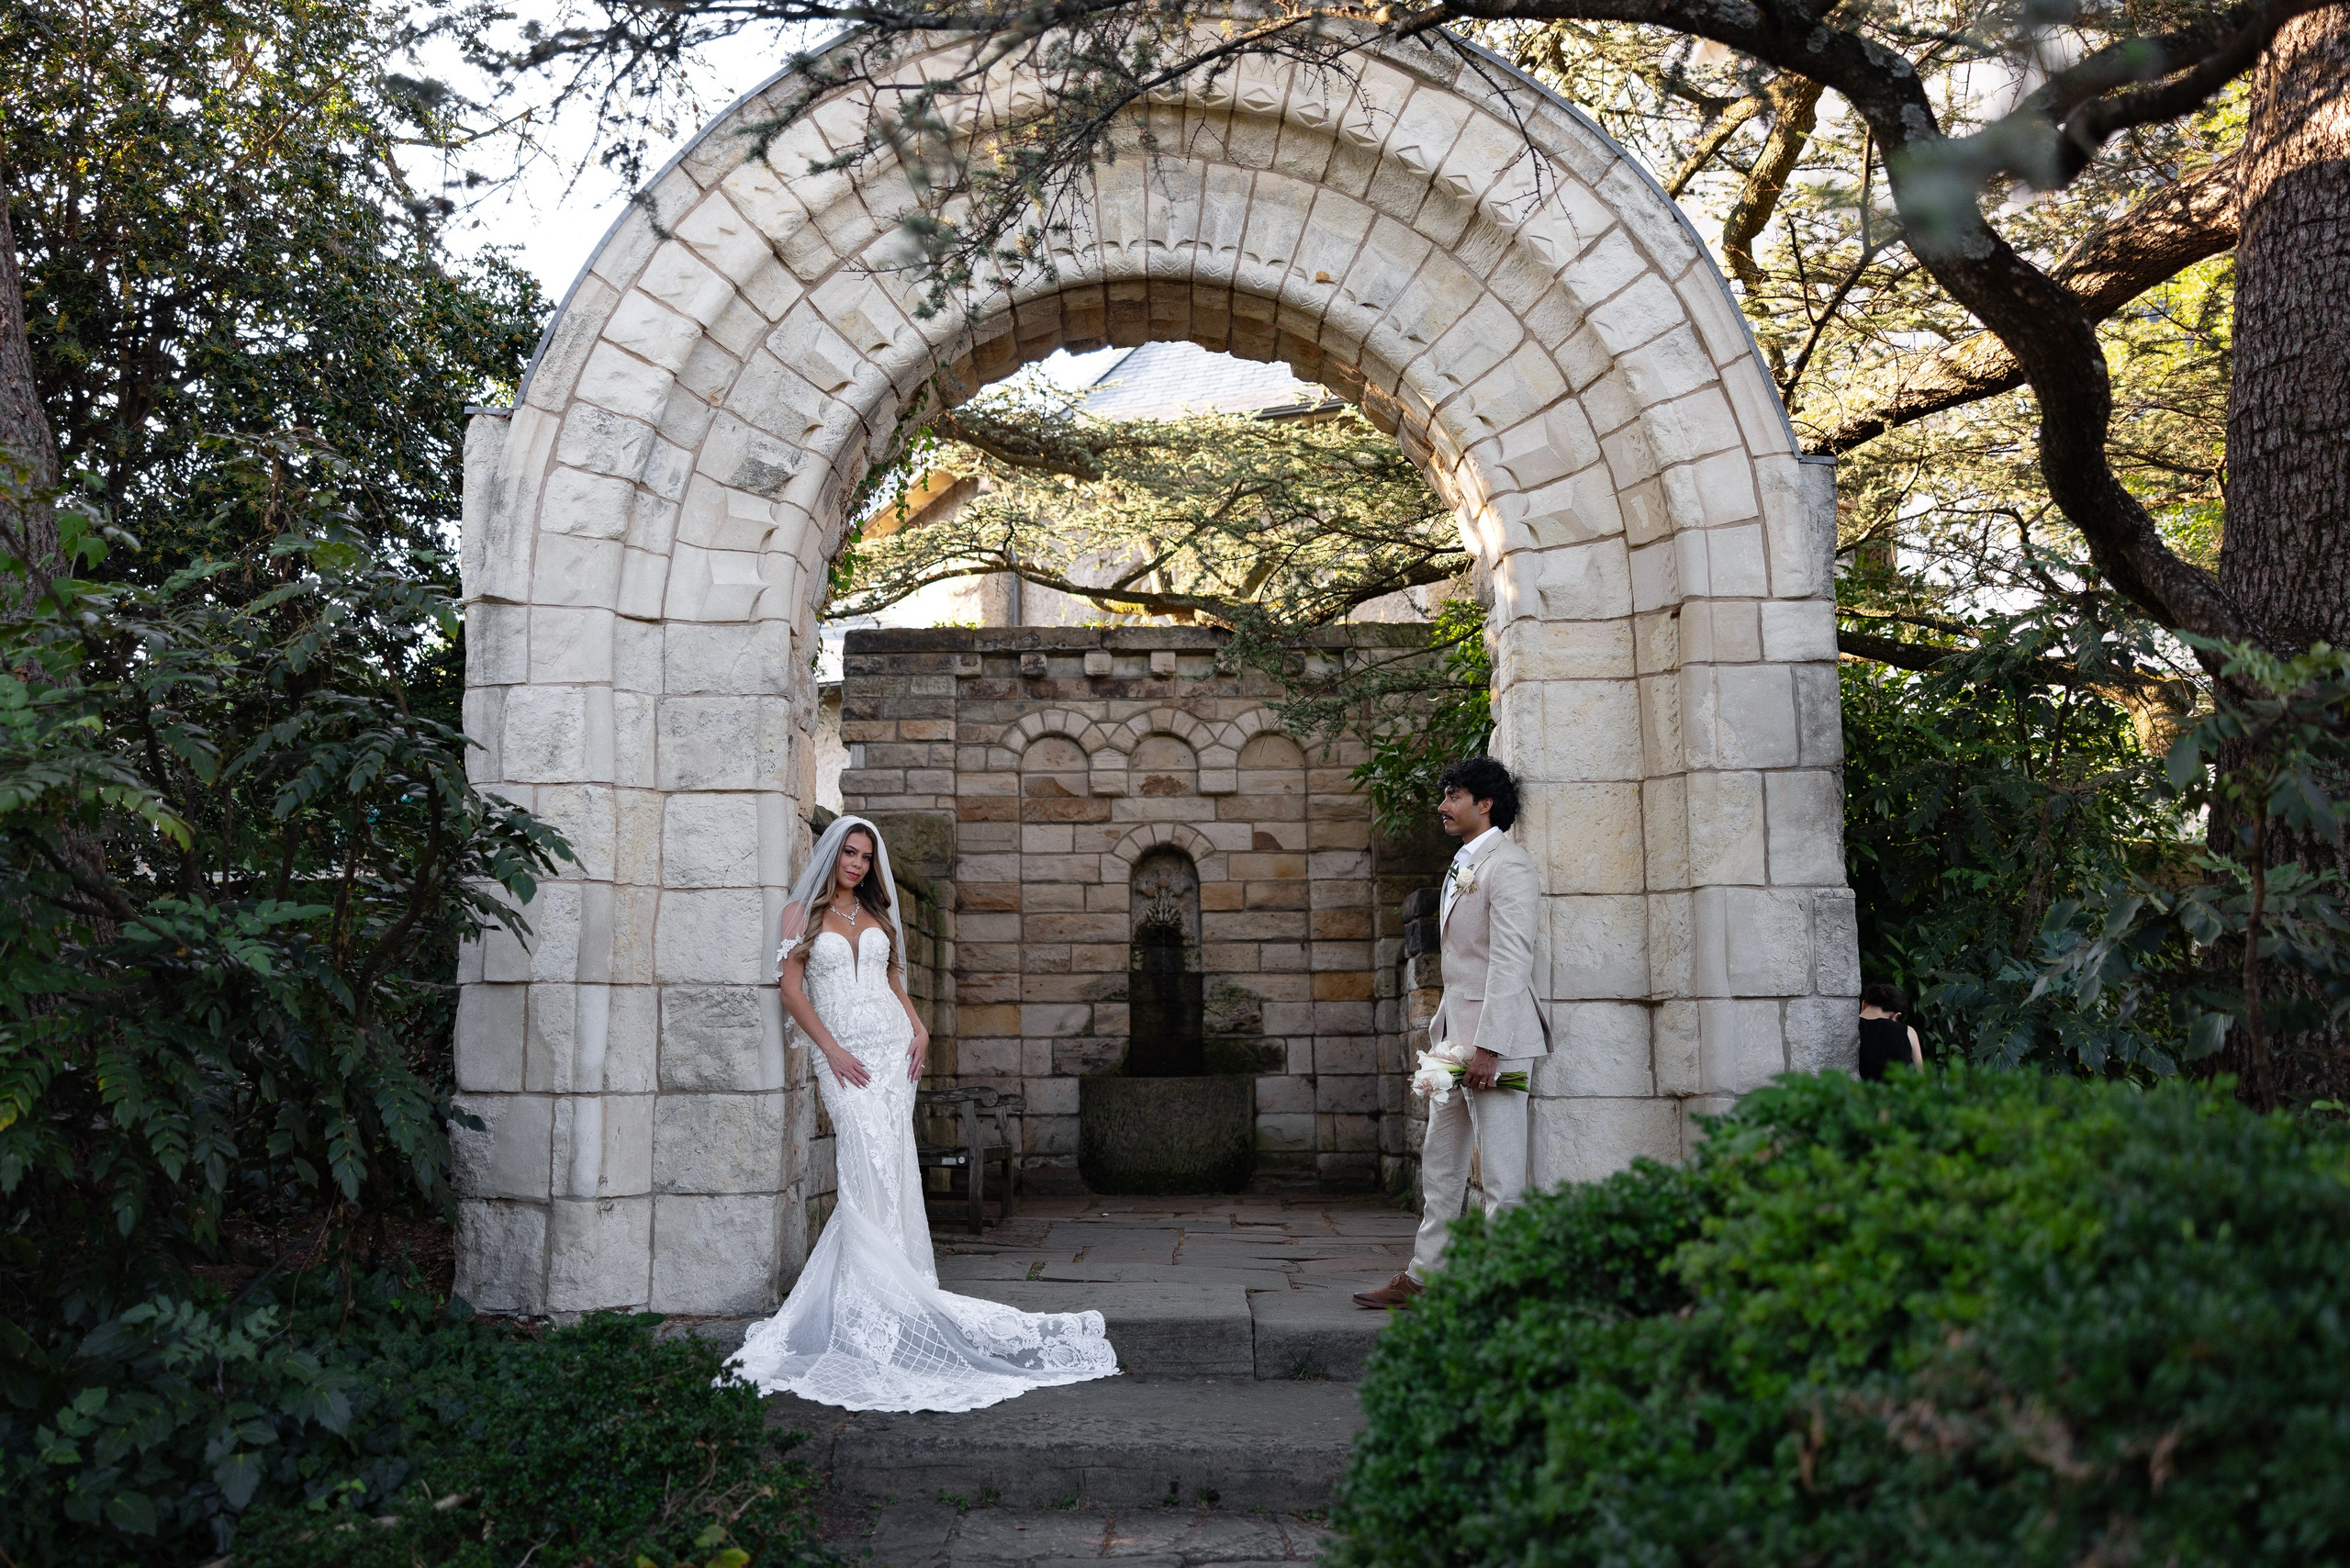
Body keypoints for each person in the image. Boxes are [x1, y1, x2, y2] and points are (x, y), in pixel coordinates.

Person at [727, 815, 1118, 1410]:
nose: (857, 864)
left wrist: (920, 1028)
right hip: (843, 1057)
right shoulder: (799, 914)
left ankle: (896, 1293)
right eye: (849, 853)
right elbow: (791, 990)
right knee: (863, 1164)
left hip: (893, 1053)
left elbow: (893, 980)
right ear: (832, 855)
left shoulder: (877, 915)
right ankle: (873, 1298)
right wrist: (831, 1050)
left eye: (866, 857)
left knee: (894, 1166)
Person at [1355, 757, 1552, 1310]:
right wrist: (1446, 1039)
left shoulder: (1509, 867)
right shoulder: (1462, 863)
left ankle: (1504, 1291)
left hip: (1498, 1043)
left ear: (1485, 803)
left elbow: (1511, 962)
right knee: (1441, 1165)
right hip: (1453, 1041)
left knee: (1502, 1176)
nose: (1442, 806)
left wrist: (1489, 1047)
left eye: (1453, 796)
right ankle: (1425, 1277)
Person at [1857, 981, 1925, 1081]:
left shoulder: (1845, 1027)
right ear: (1896, 1016)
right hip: (1897, 1091)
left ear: (1864, 1004)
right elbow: (1921, 1077)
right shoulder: (1907, 1032)